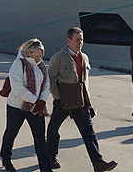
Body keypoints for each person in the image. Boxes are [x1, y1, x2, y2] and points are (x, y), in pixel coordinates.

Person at [46, 27, 118, 172]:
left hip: (81, 101)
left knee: (88, 131)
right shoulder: (58, 57)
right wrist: (58, 96)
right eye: (77, 40)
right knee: (53, 128)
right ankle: (51, 157)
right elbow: (50, 77)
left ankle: (98, 163)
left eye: (82, 40)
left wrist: (88, 101)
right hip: (63, 100)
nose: (80, 43)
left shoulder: (84, 57)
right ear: (69, 41)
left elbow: (85, 81)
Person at [0, 39, 52, 172]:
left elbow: (46, 84)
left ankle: (46, 168)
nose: (39, 59)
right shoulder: (18, 64)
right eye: (36, 56)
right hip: (17, 106)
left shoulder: (41, 65)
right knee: (11, 132)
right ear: (28, 52)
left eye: (41, 56)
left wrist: (42, 101)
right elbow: (18, 89)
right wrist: (36, 100)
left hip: (36, 107)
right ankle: (6, 158)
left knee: (40, 138)